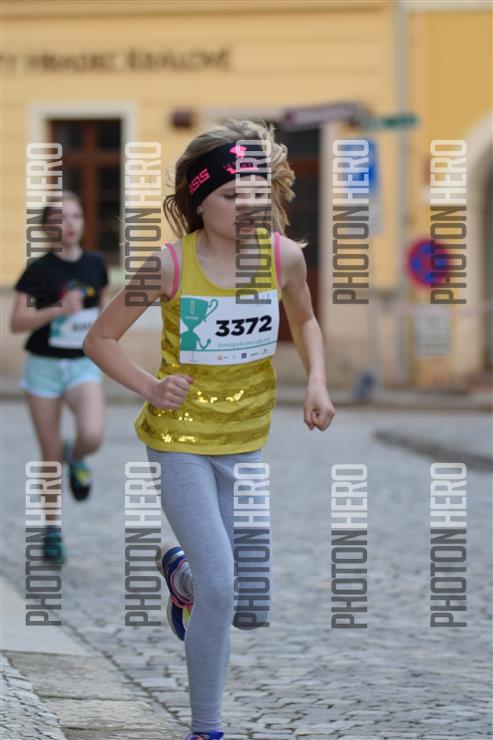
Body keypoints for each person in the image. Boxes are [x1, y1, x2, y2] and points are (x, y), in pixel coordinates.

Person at [83, 118, 335, 740]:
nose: (247, 206)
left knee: (248, 603)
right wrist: (151, 387)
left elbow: (305, 321)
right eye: (230, 194)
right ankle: (206, 728)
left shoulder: (283, 257)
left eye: (256, 192)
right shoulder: (169, 266)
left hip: (246, 443)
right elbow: (101, 339)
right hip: (180, 443)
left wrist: (317, 382)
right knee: (223, 586)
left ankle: (183, 579)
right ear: (200, 200)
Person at [10, 190, 110, 564]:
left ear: (83, 222)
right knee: (49, 453)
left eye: (75, 216)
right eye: (60, 218)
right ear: (46, 227)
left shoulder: (96, 264)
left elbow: (103, 313)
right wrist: (57, 309)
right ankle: (52, 530)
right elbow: (17, 322)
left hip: (82, 363)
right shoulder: (38, 270)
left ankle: (76, 454)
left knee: (93, 434)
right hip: (44, 367)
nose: (69, 224)